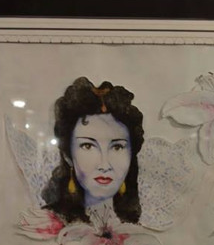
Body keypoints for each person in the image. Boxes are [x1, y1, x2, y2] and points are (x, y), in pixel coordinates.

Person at [41, 77, 144, 224]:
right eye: (88, 146)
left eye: (117, 147)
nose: (104, 165)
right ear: (68, 155)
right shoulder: (47, 223)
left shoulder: (138, 227)